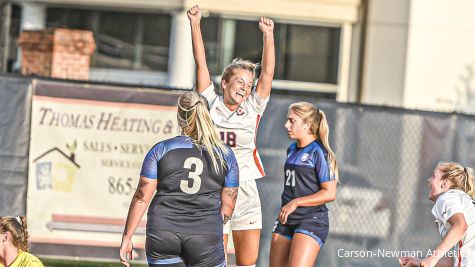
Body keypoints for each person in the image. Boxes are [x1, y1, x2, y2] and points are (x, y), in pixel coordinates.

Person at [187, 5, 275, 266]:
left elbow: (268, 73)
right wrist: (195, 24)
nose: (245, 88)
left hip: (246, 187)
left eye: (249, 85)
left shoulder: (253, 107)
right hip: (213, 187)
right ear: (224, 82)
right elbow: (200, 62)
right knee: (216, 261)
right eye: (240, 82)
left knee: (248, 262)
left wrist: (268, 34)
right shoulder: (210, 102)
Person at [119, 91, 239, 267]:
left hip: (163, 232)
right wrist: (207, 226)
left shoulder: (161, 150)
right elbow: (228, 204)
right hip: (205, 236)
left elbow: (142, 196)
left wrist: (127, 237)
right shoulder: (225, 154)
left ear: (179, 116)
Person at [269, 102, 338, 267]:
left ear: (307, 125)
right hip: (286, 219)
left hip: (311, 219)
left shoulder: (320, 152)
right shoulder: (291, 149)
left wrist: (296, 202)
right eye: (287, 120)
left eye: (292, 121)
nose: (286, 125)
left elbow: (330, 193)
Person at [399, 162, 475, 267]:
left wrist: (432, 259)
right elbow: (450, 263)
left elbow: (461, 226)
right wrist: (419, 262)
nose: (428, 180)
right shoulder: (462, 202)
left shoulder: (446, 197)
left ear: (443, 184)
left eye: (433, 176)